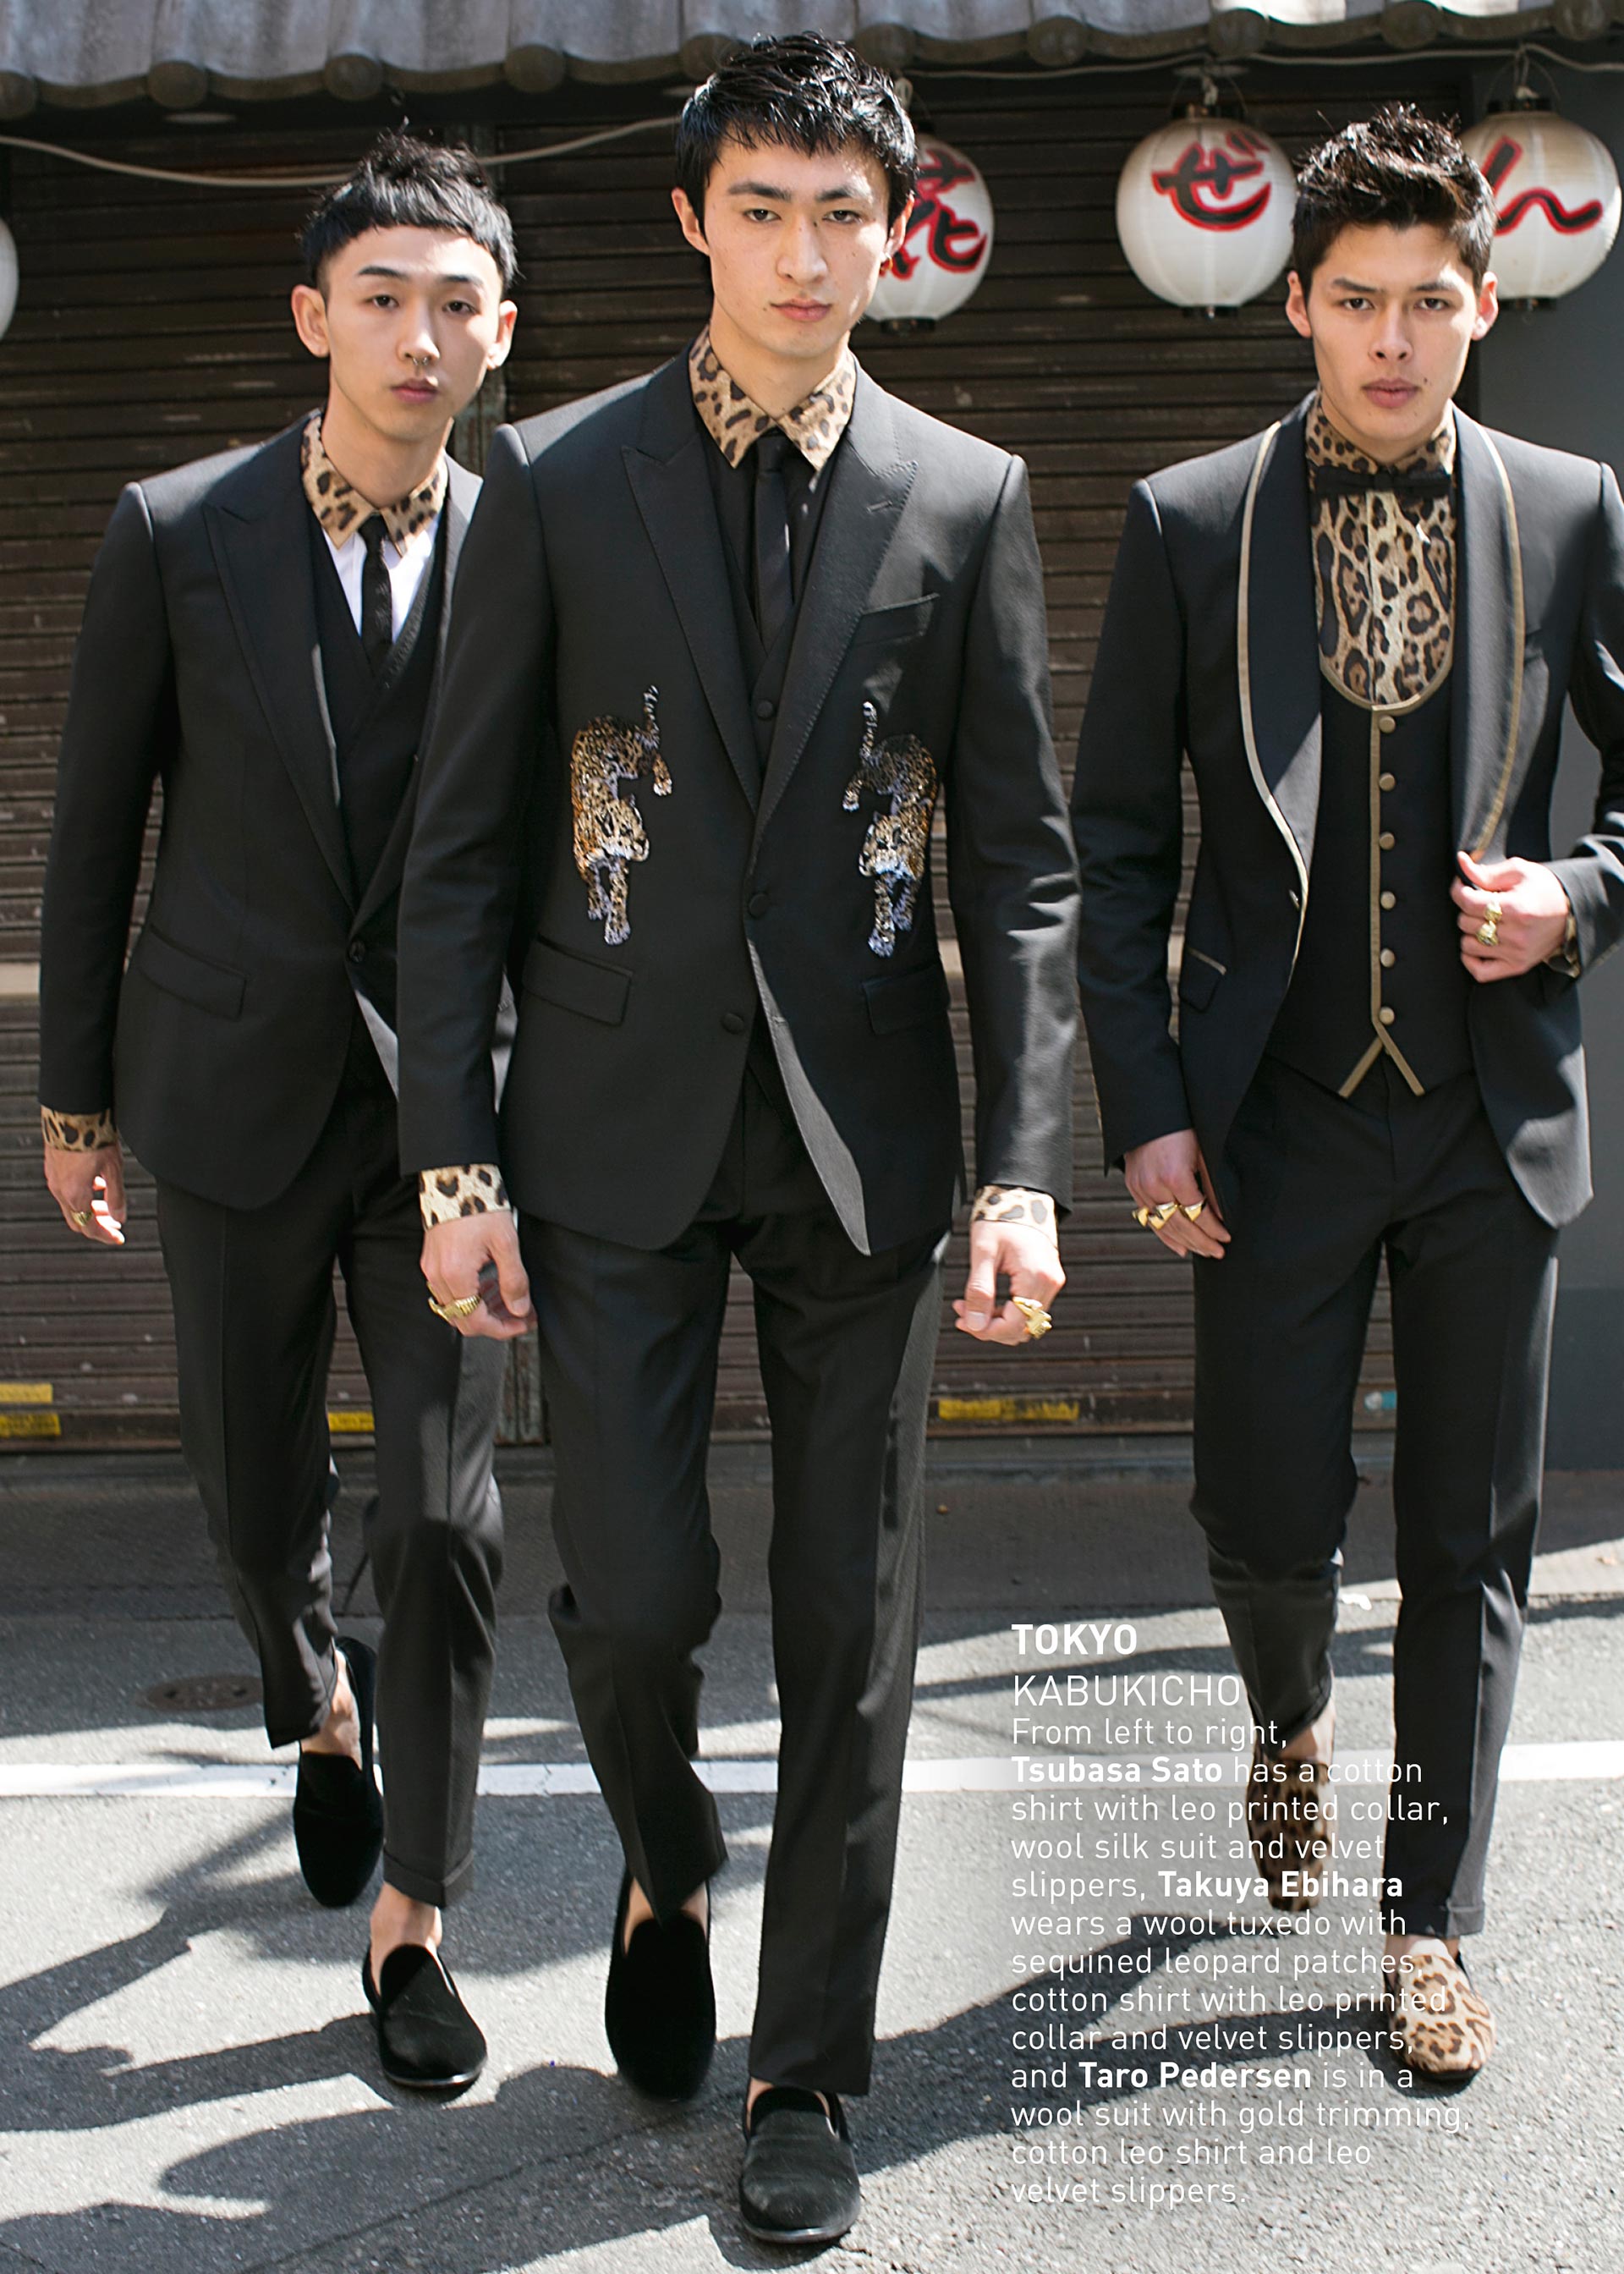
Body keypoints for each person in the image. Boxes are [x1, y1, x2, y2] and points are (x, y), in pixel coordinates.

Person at [396, 33, 1076, 2244]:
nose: (802, 255)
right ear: (694, 220)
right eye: (762, 211)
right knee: (633, 1602)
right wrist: (454, 1160)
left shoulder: (966, 495)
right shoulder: (553, 478)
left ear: (897, 231)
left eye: (840, 216)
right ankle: (668, 1856)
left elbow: (1020, 870)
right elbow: (460, 848)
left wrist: (1024, 1164)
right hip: (606, 1131)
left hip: (868, 1144)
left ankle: (806, 2073)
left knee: (849, 1623)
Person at [1073, 107, 1624, 2078]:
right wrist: (1146, 1103)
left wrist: (1573, 899)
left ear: (1485, 304)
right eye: (1359, 300)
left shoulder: (1569, 509)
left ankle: (1428, 1922)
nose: (1396, 338)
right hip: (1276, 1116)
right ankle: (1290, 1712)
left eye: (1431, 301)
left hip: (1490, 1114)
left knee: (1474, 1542)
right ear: (1297, 301)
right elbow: (1115, 846)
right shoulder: (1190, 523)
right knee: (1264, 1515)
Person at [37, 135, 518, 2093]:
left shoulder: (539, 541)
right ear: (315, 315)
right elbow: (95, 827)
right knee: (254, 1493)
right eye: (382, 298)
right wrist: (75, 1095)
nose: (419, 337)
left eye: (457, 304)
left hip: (453, 1127)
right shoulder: (175, 531)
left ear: (504, 331)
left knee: (447, 1516)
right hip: (226, 1087)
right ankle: (313, 1690)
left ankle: (417, 1917)